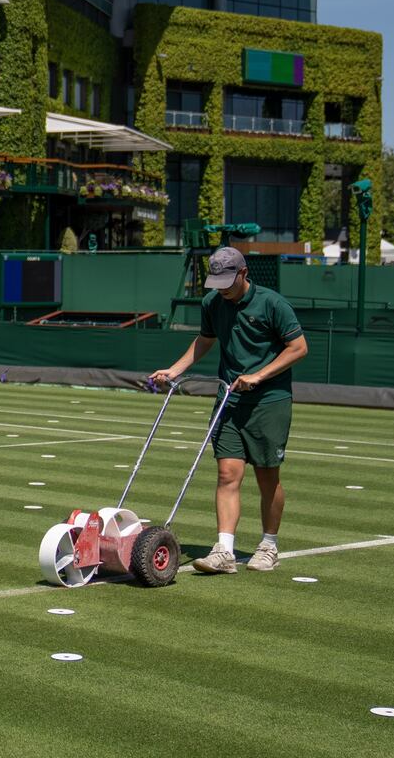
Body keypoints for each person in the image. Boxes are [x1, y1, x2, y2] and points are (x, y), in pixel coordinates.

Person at [152, 246, 308, 574]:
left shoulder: (272, 304)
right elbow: (205, 340)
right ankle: (224, 550)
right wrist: (174, 370)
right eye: (217, 282)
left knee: (267, 477)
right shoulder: (212, 302)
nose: (222, 288)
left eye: (228, 281)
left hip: (269, 402)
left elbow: (298, 348)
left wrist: (259, 376)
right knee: (227, 474)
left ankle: (269, 545)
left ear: (243, 274)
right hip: (229, 399)